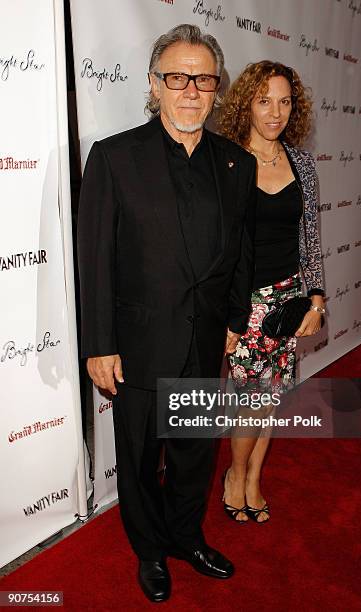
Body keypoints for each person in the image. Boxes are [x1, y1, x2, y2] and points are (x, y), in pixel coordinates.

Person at [77, 24, 256, 603]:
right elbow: (95, 260)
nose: (189, 91)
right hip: (137, 342)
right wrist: (98, 343)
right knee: (137, 458)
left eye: (203, 79)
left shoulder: (236, 163)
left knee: (193, 455)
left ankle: (185, 537)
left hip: (205, 341)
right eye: (176, 78)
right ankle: (150, 551)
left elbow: (240, 252)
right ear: (154, 85)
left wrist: (233, 321)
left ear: (217, 89)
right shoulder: (113, 157)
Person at [217, 61, 325, 524]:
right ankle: (235, 475)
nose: (275, 112)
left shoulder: (302, 163)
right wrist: (226, 314)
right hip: (247, 304)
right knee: (250, 401)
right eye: (264, 101)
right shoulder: (226, 159)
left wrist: (317, 300)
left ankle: (255, 476)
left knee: (272, 398)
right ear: (247, 104)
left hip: (291, 299)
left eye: (284, 101)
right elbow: (216, 246)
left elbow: (312, 238)